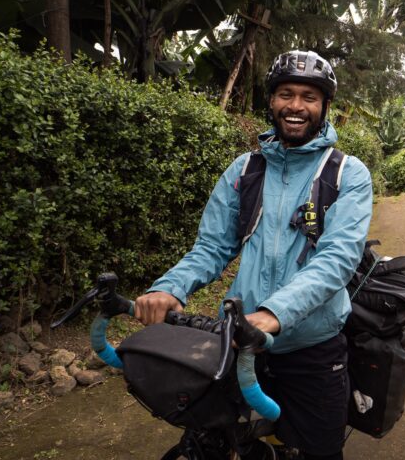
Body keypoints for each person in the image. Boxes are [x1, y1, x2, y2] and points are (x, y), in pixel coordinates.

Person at [134, 50, 373, 460]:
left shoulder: (347, 174)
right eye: (285, 94)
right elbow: (212, 247)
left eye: (309, 97)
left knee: (319, 452)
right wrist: (171, 288)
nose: (296, 106)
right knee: (220, 441)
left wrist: (273, 314)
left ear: (324, 106)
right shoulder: (244, 170)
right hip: (241, 343)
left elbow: (336, 259)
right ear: (271, 101)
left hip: (312, 347)